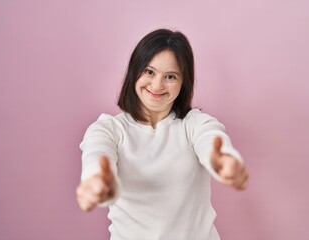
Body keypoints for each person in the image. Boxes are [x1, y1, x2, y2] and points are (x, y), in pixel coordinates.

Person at [76, 28, 249, 240]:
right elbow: (97, 155)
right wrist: (97, 181)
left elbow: (212, 141)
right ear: (134, 72)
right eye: (149, 72)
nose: (157, 85)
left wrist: (225, 160)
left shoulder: (194, 124)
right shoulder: (108, 129)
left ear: (183, 82)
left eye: (170, 76)